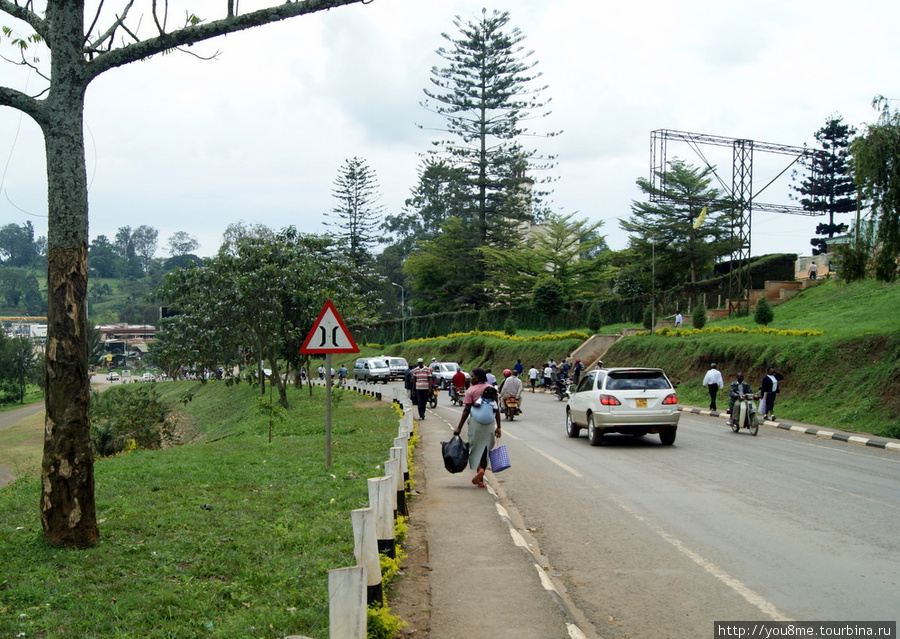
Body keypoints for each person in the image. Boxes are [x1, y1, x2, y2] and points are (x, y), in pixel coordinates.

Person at [452, 367, 501, 487]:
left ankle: (479, 470)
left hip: (476, 423)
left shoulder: (471, 390)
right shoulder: (491, 389)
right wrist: (498, 426)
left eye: (472, 376)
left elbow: (466, 410)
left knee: (475, 447)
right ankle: (481, 478)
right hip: (489, 424)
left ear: (477, 377)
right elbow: (496, 409)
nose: (470, 378)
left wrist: (459, 427)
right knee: (485, 448)